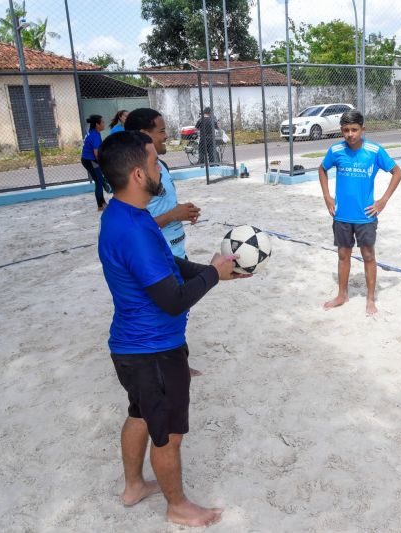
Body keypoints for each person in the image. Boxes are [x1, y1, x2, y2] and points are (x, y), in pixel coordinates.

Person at [97, 130, 247, 527]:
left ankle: (134, 486)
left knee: (141, 415)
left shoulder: (127, 214)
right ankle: (177, 505)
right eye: (152, 162)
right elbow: (173, 300)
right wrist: (212, 275)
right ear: (137, 174)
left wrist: (215, 274)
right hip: (154, 351)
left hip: (132, 347)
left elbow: (172, 266)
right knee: (167, 434)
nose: (159, 166)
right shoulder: (132, 230)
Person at [126, 108, 203, 376]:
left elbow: (163, 206)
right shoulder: (135, 175)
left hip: (176, 248)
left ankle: (178, 361)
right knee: (161, 310)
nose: (166, 135)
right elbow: (137, 226)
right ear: (143, 135)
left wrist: (182, 211)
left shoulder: (162, 167)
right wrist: (173, 214)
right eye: (161, 130)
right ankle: (162, 367)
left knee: (179, 310)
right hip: (156, 254)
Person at [318, 110, 401, 316]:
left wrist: (382, 201)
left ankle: (370, 298)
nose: (350, 134)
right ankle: (342, 294)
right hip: (342, 215)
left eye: (354, 130)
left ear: (362, 129)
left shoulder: (374, 151)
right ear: (341, 131)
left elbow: (397, 172)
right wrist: (327, 196)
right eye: (346, 130)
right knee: (343, 254)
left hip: (365, 215)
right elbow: (322, 169)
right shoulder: (336, 150)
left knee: (368, 255)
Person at [80, 114, 107, 211]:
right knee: (99, 181)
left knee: (99, 180)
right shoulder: (95, 135)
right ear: (97, 124)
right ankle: (101, 205)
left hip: (88, 159)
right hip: (91, 160)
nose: (104, 124)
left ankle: (102, 203)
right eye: (102, 122)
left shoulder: (92, 132)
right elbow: (96, 153)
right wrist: (103, 163)